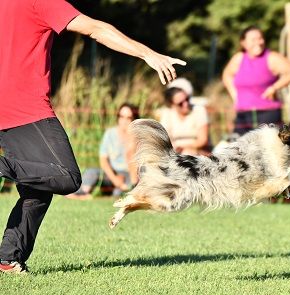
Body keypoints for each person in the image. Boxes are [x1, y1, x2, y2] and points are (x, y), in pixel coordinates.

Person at [0, 0, 185, 274]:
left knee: (39, 184)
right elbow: (96, 29)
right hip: (24, 109)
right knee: (66, 176)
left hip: (9, 109)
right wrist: (148, 54)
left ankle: (8, 258)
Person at [222, 26, 290, 136]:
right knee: (239, 150)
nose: (258, 42)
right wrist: (235, 95)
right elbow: (226, 75)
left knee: (266, 150)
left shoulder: (272, 57)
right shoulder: (239, 58)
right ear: (243, 43)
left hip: (267, 113)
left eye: (260, 38)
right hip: (243, 114)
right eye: (253, 39)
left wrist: (274, 87)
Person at [66, 103, 140, 200]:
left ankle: (121, 193)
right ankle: (80, 192)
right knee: (92, 172)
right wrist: (115, 179)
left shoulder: (138, 137)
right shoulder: (110, 134)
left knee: (120, 192)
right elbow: (103, 161)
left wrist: (132, 146)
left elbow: (135, 168)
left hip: (132, 175)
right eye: (121, 117)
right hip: (113, 173)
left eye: (128, 118)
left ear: (134, 119)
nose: (124, 121)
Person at [159, 86, 210, 155]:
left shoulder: (199, 110)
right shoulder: (167, 113)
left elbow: (203, 140)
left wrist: (183, 147)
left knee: (188, 153)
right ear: (172, 105)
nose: (186, 104)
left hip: (198, 153)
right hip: (175, 153)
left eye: (187, 99)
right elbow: (165, 139)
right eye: (180, 103)